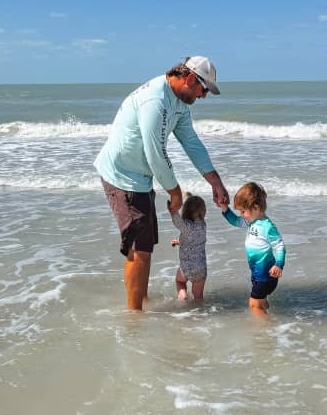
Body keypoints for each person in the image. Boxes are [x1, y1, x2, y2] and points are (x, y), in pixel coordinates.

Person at [94, 56, 230, 311]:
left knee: (145, 246)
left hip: (141, 177)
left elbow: (191, 141)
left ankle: (140, 302)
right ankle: (134, 318)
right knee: (139, 248)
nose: (203, 97)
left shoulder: (179, 103)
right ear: (190, 78)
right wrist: (175, 193)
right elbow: (154, 151)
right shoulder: (156, 100)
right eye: (204, 89)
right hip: (122, 176)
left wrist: (215, 181)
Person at [221, 181, 286, 317]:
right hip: (257, 273)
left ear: (255, 208)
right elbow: (235, 221)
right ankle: (273, 321)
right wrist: (225, 209)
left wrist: (279, 264)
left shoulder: (267, 227)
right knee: (261, 302)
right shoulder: (252, 221)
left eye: (243, 211)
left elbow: (279, 246)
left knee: (254, 304)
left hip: (266, 274)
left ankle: (266, 329)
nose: (242, 214)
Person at [168, 193, 208, 301]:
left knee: (180, 282)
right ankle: (199, 312)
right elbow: (194, 241)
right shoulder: (203, 226)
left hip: (186, 268)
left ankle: (183, 296)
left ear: (185, 212)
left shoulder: (187, 226)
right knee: (198, 296)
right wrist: (179, 241)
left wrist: (173, 211)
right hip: (200, 268)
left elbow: (178, 223)